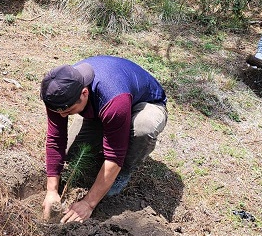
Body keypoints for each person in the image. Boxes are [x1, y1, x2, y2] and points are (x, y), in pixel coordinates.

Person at [40, 55, 168, 223]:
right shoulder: (58, 92)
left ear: (84, 93)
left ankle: (123, 172)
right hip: (104, 109)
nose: (63, 116)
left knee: (144, 128)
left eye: (68, 111)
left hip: (144, 105)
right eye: (60, 112)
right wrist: (51, 191)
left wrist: (88, 203)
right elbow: (55, 139)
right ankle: (109, 128)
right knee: (72, 155)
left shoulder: (113, 98)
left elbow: (114, 155)